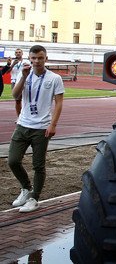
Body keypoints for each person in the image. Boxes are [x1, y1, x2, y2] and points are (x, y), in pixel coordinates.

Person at [9, 45, 65, 213]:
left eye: (40, 58)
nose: (36, 61)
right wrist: (23, 77)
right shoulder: (24, 74)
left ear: (45, 58)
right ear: (29, 58)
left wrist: (53, 124)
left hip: (42, 127)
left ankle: (34, 198)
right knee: (12, 160)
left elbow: (59, 102)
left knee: (38, 165)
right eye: (33, 58)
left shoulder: (54, 78)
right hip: (23, 124)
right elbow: (15, 96)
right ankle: (26, 188)